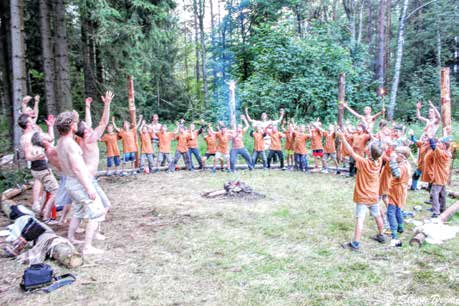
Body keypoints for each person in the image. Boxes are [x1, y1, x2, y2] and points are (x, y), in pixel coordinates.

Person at [56, 111, 106, 255]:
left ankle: (71, 238)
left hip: (69, 182)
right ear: (72, 126)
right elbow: (78, 169)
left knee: (78, 211)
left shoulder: (60, 142)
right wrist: (89, 187)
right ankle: (87, 247)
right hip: (78, 182)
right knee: (97, 211)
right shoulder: (71, 144)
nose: (77, 125)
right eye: (75, 122)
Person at [75, 92, 114, 240]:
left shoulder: (81, 139)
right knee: (103, 206)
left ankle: (86, 231)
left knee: (90, 207)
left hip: (86, 177)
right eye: (86, 127)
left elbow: (88, 124)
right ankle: (95, 233)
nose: (89, 126)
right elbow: (103, 122)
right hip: (89, 179)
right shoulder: (90, 139)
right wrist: (107, 104)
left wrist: (87, 106)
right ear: (85, 132)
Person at [338, 130, 386, 251]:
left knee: (360, 219)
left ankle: (355, 244)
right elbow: (380, 147)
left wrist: (343, 139)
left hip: (363, 197)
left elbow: (351, 152)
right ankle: (381, 235)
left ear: (369, 153)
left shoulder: (364, 162)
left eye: (368, 147)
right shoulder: (379, 160)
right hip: (373, 196)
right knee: (377, 215)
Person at [19, 113, 59, 223]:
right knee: (56, 191)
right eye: (30, 119)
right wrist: (37, 156)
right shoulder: (27, 138)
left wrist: (50, 126)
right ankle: (46, 216)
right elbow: (28, 156)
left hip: (39, 168)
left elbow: (50, 139)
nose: (33, 120)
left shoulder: (34, 133)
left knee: (48, 190)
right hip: (40, 168)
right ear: (27, 124)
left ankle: (41, 213)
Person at [386, 146, 411, 247]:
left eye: (396, 154)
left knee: (390, 212)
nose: (395, 156)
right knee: (398, 210)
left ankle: (394, 234)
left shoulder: (402, 166)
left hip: (397, 191)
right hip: (400, 190)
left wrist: (392, 161)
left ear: (401, 156)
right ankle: (400, 227)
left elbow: (396, 174)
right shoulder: (405, 164)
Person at [429, 136, 452, 218]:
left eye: (440, 143)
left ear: (444, 146)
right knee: (442, 194)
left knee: (434, 193)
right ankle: (442, 208)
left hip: (439, 177)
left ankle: (436, 212)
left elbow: (433, 146)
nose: (438, 144)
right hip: (444, 176)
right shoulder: (447, 152)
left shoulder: (442, 153)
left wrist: (430, 136)